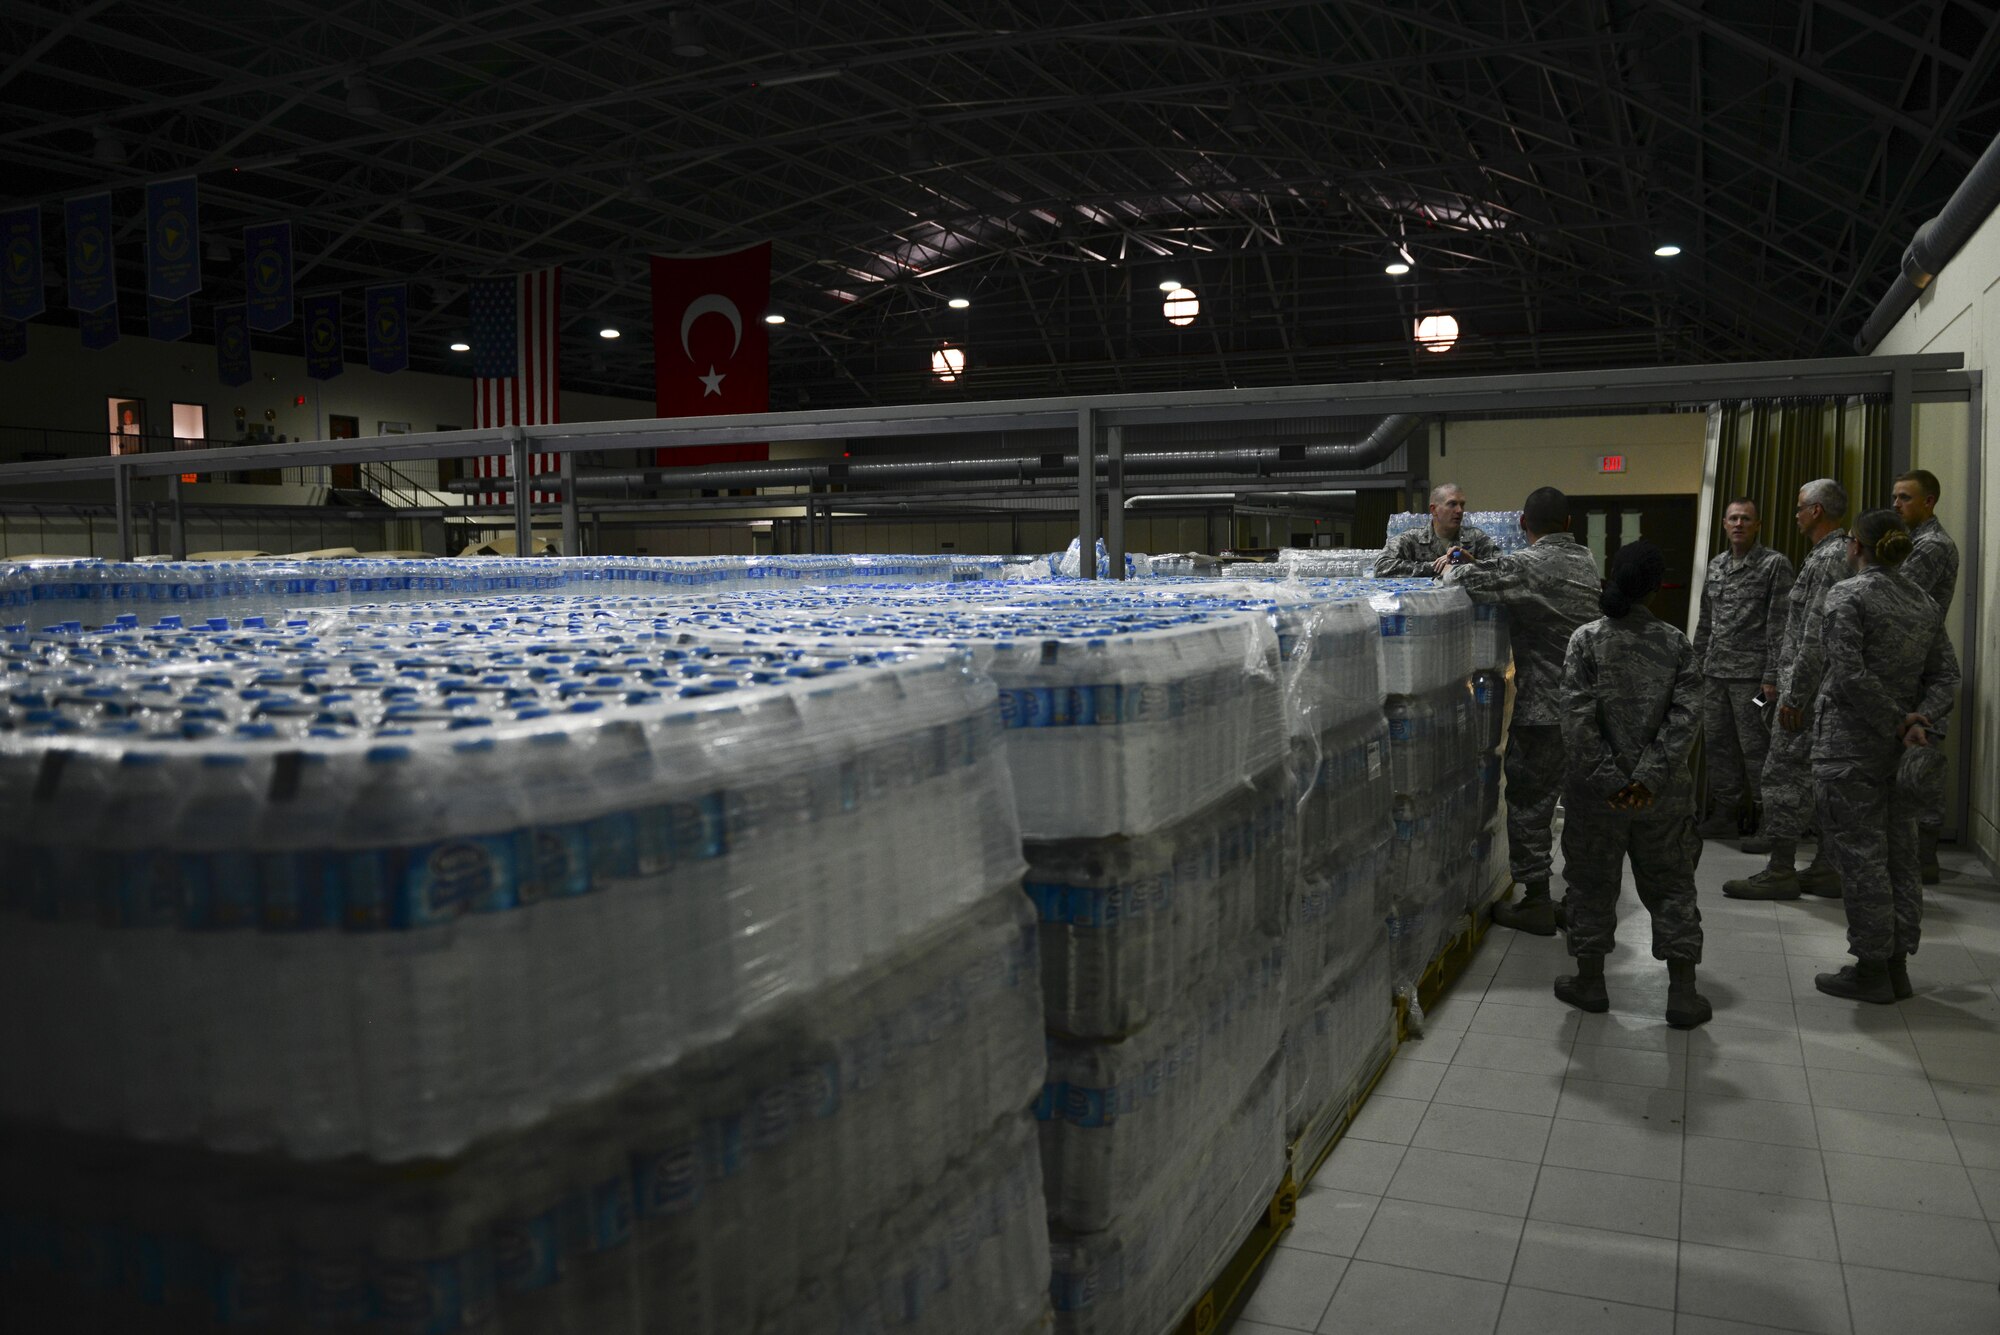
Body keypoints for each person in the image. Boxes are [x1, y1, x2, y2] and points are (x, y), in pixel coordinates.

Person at [1552, 541, 1711, 1028]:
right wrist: (1646, 779)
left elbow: (1576, 720)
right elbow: (1686, 719)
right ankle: (1682, 994)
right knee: (1672, 888)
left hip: (1596, 799)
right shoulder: (1676, 643)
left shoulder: (1585, 640)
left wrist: (1610, 781)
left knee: (1591, 886)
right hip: (1660, 799)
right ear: (1657, 587)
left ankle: (1591, 982)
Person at [1810, 510, 1960, 1003]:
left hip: (1850, 747)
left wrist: (1898, 720)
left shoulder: (1847, 595)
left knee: (1861, 859)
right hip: (1903, 755)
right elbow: (1945, 677)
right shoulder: (1920, 601)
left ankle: (1872, 968)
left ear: (1857, 546)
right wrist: (1919, 721)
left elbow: (1849, 675)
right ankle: (1897, 965)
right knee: (1901, 856)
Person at [1445, 485, 1601, 934]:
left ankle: (1535, 900)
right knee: (1581, 808)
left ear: (1522, 525)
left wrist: (1459, 564)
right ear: (1569, 525)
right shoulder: (1586, 561)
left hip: (1545, 711)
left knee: (1531, 803)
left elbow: (1466, 583)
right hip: (1589, 710)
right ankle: (1580, 899)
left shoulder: (1527, 564)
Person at [1723, 478, 1849, 901]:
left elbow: (1813, 632)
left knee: (1780, 775)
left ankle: (1780, 870)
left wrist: (1792, 694)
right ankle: (1825, 867)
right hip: (1790, 684)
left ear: (1816, 511)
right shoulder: (1827, 554)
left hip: (1802, 691)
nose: (1794, 515)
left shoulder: (1826, 559)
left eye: (1799, 507)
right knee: (1816, 778)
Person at [1691, 498, 1794, 838]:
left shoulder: (1774, 565)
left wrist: (1773, 675)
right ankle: (1727, 812)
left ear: (1758, 525)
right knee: (1718, 745)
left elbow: (1780, 625)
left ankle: (1770, 818)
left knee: (1757, 748)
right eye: (1733, 518)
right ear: (1723, 524)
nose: (1738, 524)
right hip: (1715, 676)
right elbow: (1706, 622)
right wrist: (1695, 666)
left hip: (1753, 682)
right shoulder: (1717, 565)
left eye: (1746, 519)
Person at [1889, 469, 1961, 884]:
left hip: (1924, 660)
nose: (1896, 505)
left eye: (1905, 498)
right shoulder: (1913, 542)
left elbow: (1896, 590)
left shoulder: (1931, 545)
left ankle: (1925, 855)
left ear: (1928, 501)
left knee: (1923, 761)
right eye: (1895, 497)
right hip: (1908, 658)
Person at [1374, 482, 1499, 577]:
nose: (1459, 510)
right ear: (1434, 510)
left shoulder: (1476, 538)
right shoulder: (1411, 539)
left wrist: (1472, 562)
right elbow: (1381, 567)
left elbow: (1504, 568)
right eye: (1452, 504)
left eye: (1462, 505)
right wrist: (1435, 567)